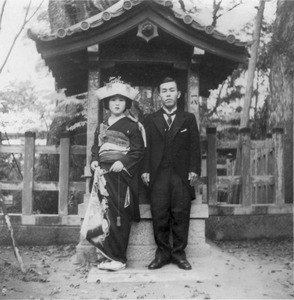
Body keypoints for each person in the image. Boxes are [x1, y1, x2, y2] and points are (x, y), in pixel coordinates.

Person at [141, 76, 201, 270]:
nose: (168, 94)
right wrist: (146, 170)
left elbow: (195, 147)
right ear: (160, 95)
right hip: (158, 174)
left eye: (171, 90)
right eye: (164, 91)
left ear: (178, 93)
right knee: (159, 214)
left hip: (181, 174)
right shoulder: (151, 119)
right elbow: (146, 147)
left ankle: (179, 254)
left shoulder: (188, 118)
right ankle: (162, 254)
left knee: (181, 213)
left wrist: (194, 170)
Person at [90, 78, 144, 271]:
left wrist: (123, 162)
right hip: (103, 175)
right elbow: (96, 147)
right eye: (113, 100)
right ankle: (107, 255)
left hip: (122, 177)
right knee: (104, 214)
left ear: (127, 104)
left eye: (121, 100)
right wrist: (94, 160)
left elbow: (138, 151)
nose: (117, 103)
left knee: (119, 215)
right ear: (107, 103)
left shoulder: (132, 125)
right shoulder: (102, 126)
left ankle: (119, 258)